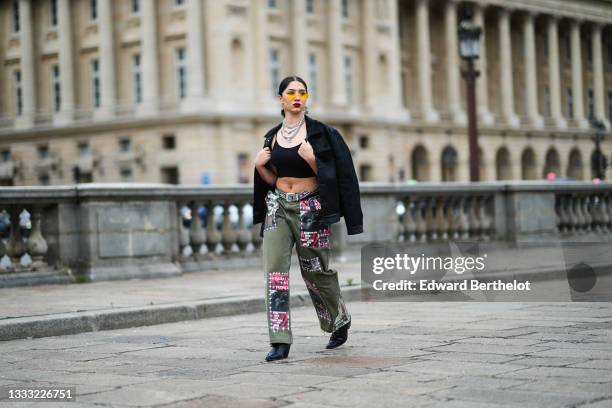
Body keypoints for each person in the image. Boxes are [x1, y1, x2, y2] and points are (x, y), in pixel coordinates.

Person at [253, 76, 364, 362]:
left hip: (310, 207)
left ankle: (339, 319)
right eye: (291, 92)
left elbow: (339, 176)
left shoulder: (324, 134)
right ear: (281, 99)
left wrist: (313, 159)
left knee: (316, 271)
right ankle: (279, 341)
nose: (297, 97)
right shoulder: (271, 136)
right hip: (277, 207)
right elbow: (272, 179)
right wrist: (259, 166)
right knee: (275, 274)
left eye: (302, 92)